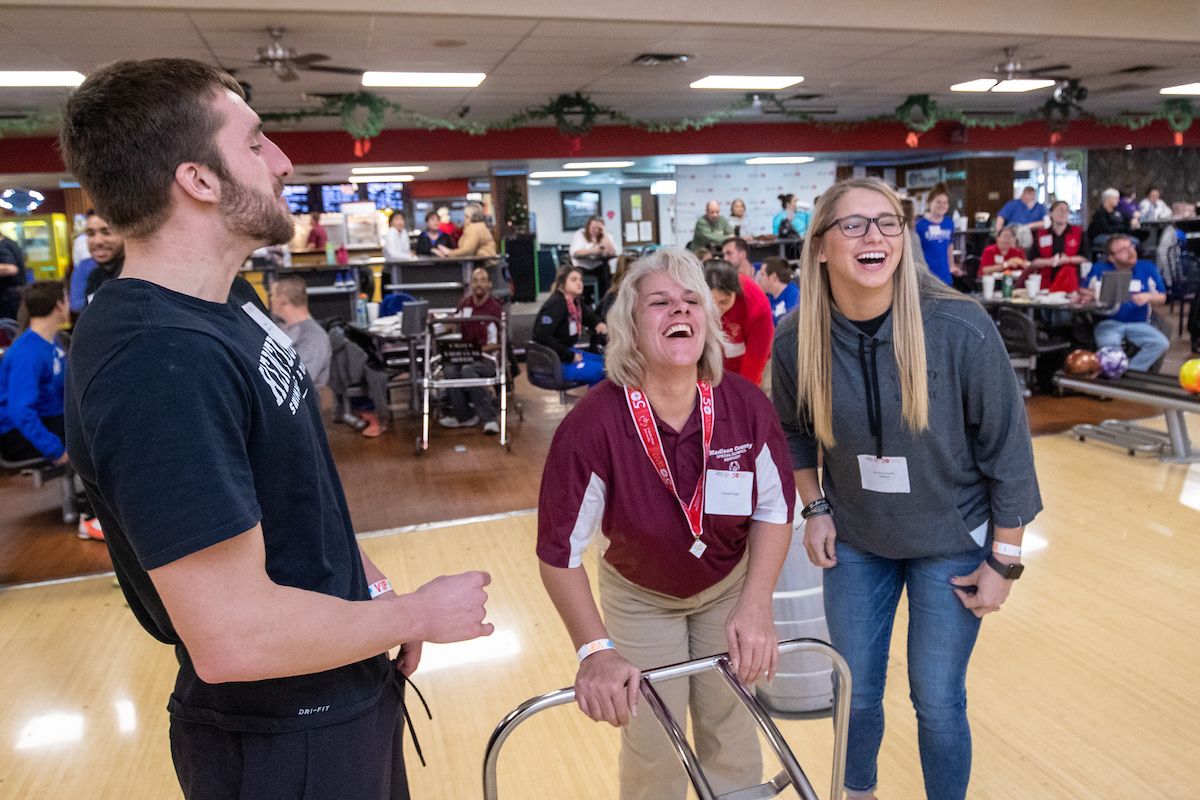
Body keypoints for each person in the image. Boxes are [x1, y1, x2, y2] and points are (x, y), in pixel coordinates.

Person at [59, 58, 493, 800]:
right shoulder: (156, 361)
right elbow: (233, 638)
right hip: (281, 740)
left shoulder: (230, 302)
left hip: (336, 687)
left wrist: (367, 589)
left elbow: (287, 480)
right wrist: (415, 612)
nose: (285, 162)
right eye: (258, 144)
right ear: (197, 179)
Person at [772, 177, 1041, 800]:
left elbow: (1009, 450)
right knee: (858, 693)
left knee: (938, 698)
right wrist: (814, 507)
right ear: (819, 248)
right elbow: (791, 432)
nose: (876, 236)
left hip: (950, 539)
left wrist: (1007, 557)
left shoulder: (959, 327)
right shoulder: (797, 339)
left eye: (889, 223)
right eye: (856, 225)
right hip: (858, 541)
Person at [537, 248, 795, 800]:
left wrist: (757, 603)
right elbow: (560, 554)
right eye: (660, 302)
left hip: (727, 584)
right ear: (632, 325)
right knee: (655, 734)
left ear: (707, 320)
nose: (679, 309)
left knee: (731, 720)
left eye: (691, 300)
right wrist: (595, 651)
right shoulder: (593, 425)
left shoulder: (747, 405)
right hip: (641, 596)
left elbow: (774, 510)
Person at [0, 281, 69, 466]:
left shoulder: (52, 342)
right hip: (19, 434)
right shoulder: (27, 353)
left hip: (49, 419)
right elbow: (20, 411)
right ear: (59, 304)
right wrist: (54, 449)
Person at [1082, 235, 1170, 372]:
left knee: (1161, 343)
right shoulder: (1099, 269)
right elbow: (1083, 293)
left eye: (1131, 247)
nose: (1131, 252)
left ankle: (1131, 372)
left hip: (1139, 323)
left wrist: (1149, 296)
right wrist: (1093, 296)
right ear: (1112, 257)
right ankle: (1117, 377)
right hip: (1108, 323)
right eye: (1123, 250)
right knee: (1111, 351)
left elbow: (1162, 297)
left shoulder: (1147, 268)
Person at [439, 267, 504, 435]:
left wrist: (476, 350)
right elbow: (453, 323)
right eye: (475, 280)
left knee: (469, 370)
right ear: (471, 284)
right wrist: (447, 323)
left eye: (482, 280)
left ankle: (490, 419)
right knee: (449, 369)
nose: (479, 284)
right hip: (466, 354)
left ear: (489, 284)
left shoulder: (495, 309)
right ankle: (464, 417)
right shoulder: (465, 303)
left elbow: (497, 344)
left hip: (488, 358)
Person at [704, 259, 774, 387]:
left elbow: (756, 361)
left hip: (750, 356)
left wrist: (745, 393)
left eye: (724, 302)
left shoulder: (755, 303)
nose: (718, 310)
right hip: (714, 359)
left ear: (736, 292)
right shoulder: (693, 299)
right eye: (711, 303)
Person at [533, 265, 606, 386]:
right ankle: (594, 403)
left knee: (607, 364)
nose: (579, 283)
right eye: (574, 280)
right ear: (562, 284)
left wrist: (599, 324)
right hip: (556, 359)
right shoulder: (557, 304)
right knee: (601, 371)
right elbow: (542, 336)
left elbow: (589, 318)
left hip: (568, 352)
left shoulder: (575, 302)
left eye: (580, 280)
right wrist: (569, 356)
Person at [269, 276, 332, 392]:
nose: (271, 299)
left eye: (272, 295)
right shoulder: (282, 327)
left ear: (282, 299)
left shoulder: (315, 337)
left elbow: (299, 380)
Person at [69, 209, 125, 316]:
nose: (97, 241)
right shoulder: (94, 277)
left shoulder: (137, 278)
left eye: (107, 232)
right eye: (90, 234)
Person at [1027, 200, 1086, 293]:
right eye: (1059, 209)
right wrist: (1049, 261)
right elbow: (1033, 261)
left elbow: (1085, 258)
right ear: (1051, 214)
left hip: (1070, 283)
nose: (1063, 213)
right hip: (1045, 283)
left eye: (1066, 210)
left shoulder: (1078, 233)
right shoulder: (1041, 234)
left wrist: (1068, 260)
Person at [915, 185, 956, 285]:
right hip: (927, 275)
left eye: (945, 203)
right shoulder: (920, 225)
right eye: (938, 202)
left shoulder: (949, 223)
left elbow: (950, 246)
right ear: (929, 204)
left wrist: (952, 265)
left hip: (945, 275)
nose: (942, 205)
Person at [569, 215, 618, 299]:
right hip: (583, 267)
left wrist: (604, 235)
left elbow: (613, 252)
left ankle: (604, 300)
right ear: (588, 226)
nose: (596, 231)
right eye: (594, 228)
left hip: (599, 267)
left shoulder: (606, 236)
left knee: (606, 272)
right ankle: (586, 300)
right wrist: (591, 251)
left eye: (599, 228)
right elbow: (575, 253)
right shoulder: (580, 234)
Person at [1088, 188, 1139, 257]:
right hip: (1104, 236)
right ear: (1107, 199)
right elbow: (1105, 229)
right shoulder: (1100, 214)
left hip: (1118, 235)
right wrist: (1120, 232)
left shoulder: (1119, 213)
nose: (1118, 201)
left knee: (1135, 241)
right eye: (1115, 198)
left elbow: (1126, 226)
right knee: (1130, 242)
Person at [757, 256, 799, 324]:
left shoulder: (795, 298)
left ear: (773, 277)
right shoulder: (769, 297)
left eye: (762, 275)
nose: (759, 279)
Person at [0, 228, 27, 320]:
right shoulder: (10, 243)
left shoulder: (2, 246)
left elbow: (11, 268)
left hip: (8, 296)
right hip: (18, 293)